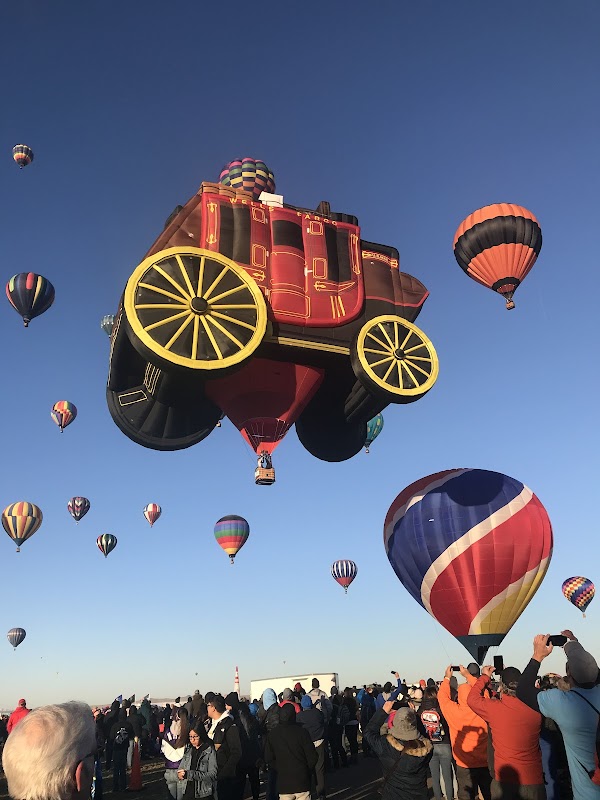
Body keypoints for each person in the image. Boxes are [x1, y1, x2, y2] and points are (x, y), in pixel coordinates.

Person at [517, 631, 600, 800]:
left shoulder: (563, 702)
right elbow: (586, 667)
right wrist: (573, 643)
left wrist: (537, 656)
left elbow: (523, 690)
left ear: (569, 674)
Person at [468, 664, 545, 798]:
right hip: (533, 781)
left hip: (504, 781)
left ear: (501, 687)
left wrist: (485, 677)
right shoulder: (537, 707)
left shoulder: (494, 709)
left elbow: (472, 699)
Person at [2, 701, 96, 800]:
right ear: (81, 775)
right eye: (95, 754)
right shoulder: (26, 713)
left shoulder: (14, 717)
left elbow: (9, 727)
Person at [438, 666, 491, 800]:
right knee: (489, 793)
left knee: (465, 795)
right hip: (485, 761)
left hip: (464, 763)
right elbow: (484, 693)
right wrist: (468, 675)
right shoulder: (484, 708)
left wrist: (447, 678)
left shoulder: (453, 712)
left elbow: (442, 697)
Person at [363, 701, 433, 800]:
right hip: (419, 795)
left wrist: (383, 712)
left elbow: (368, 732)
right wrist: (413, 715)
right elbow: (424, 736)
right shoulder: (425, 748)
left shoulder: (386, 746)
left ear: (395, 722)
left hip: (393, 795)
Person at [264, 703, 317, 800]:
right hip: (302, 781)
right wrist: (306, 769)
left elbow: (268, 758)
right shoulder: (302, 733)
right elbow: (312, 757)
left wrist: (280, 769)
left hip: (284, 782)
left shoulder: (273, 734)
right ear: (294, 715)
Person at [419, 686, 454, 800]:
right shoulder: (441, 708)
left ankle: (438, 797)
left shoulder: (421, 710)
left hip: (430, 746)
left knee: (435, 777)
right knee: (447, 776)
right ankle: (450, 797)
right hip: (444, 744)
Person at [207, 695, 242, 800]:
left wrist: (225, 772)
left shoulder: (229, 725)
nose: (207, 708)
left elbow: (236, 752)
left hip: (225, 774)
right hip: (213, 771)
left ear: (213, 708)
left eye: (208, 705)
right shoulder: (212, 725)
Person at [177, 724, 218, 799]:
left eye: (195, 736)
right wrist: (180, 774)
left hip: (203, 793)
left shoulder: (209, 751)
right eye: (190, 737)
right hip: (187, 791)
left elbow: (213, 774)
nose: (192, 740)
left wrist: (191, 774)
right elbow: (181, 768)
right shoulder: (189, 751)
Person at [297, 695, 326, 800]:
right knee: (319, 769)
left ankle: (308, 792)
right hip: (319, 742)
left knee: (307, 770)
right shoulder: (318, 713)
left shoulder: (299, 716)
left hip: (307, 745)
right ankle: (321, 793)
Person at [162, 707, 191, 800]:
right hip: (182, 769)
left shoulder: (168, 732)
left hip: (169, 768)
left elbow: (162, 749)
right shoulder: (187, 732)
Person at [342, 688, 359, 765]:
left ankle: (353, 756)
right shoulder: (353, 700)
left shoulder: (344, 701)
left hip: (348, 722)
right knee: (354, 740)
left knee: (350, 740)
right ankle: (355, 756)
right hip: (354, 721)